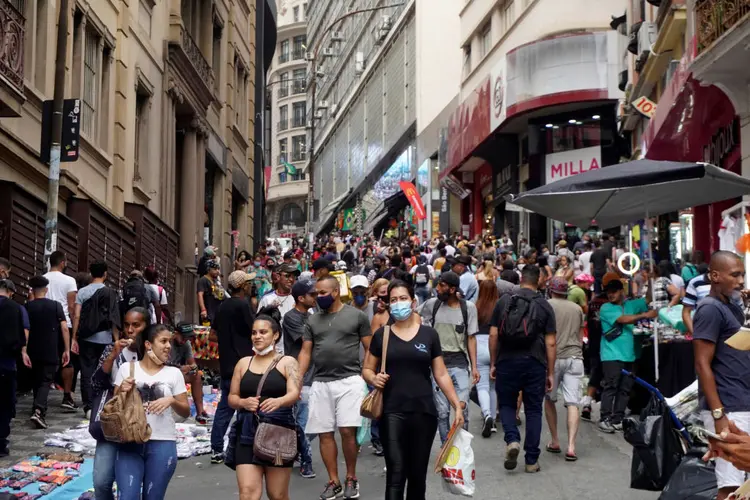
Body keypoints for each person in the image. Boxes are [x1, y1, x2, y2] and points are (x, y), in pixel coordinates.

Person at [363, 280, 464, 500]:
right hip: (392, 411)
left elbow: (441, 373)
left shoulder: (429, 335)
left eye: (402, 298)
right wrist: (374, 378)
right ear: (388, 305)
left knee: (417, 477)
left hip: (424, 413)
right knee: (396, 475)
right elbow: (367, 369)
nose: (398, 304)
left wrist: (457, 405)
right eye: (393, 300)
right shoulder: (382, 335)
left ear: (413, 301)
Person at [298, 276, 371, 500]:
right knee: (324, 434)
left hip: (350, 381)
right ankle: (334, 481)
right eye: (316, 293)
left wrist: (367, 373)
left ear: (336, 291)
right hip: (320, 382)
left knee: (348, 431)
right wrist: (297, 378)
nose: (318, 297)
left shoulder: (357, 316)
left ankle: (351, 477)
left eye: (322, 293)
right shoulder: (312, 321)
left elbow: (370, 348)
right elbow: (306, 352)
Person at [693, 251, 750, 500]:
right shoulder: (709, 309)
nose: (741, 281)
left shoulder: (731, 307)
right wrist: (718, 414)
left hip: (740, 401)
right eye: (735, 275)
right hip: (728, 406)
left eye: (743, 275)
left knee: (742, 485)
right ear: (715, 276)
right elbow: (701, 363)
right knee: (730, 487)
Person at [489, 265, 556, 473]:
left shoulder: (504, 302)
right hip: (534, 361)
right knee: (534, 409)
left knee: (507, 404)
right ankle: (531, 461)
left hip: (506, 360)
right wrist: (550, 372)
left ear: (521, 279)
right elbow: (551, 342)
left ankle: (512, 440)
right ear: (539, 281)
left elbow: (493, 335)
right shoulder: (544, 305)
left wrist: (493, 362)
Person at [228, 314, 301, 500]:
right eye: (254, 333)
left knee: (277, 495)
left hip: (278, 432)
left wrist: (279, 401)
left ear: (275, 335)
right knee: (248, 493)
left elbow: (295, 393)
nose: (257, 336)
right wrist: (243, 402)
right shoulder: (243, 363)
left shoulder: (287, 362)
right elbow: (232, 397)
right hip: (246, 431)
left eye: (263, 332)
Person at [114, 324, 190, 500]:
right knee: (128, 497)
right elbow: (114, 405)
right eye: (163, 341)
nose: (168, 346)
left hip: (162, 442)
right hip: (130, 441)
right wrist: (122, 391)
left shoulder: (174, 373)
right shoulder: (128, 369)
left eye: (169, 342)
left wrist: (171, 400)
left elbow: (185, 411)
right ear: (148, 345)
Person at [89, 307, 150, 500]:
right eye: (127, 325)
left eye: (136, 325)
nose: (130, 330)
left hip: (139, 424)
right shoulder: (113, 349)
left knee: (135, 482)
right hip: (113, 422)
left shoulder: (151, 351)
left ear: (146, 327)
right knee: (101, 481)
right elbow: (96, 382)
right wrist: (113, 354)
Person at [418, 271, 479, 444]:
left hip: (460, 363)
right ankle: (447, 449)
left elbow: (471, 338)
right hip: (438, 365)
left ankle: (462, 446)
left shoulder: (468, 308)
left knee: (462, 408)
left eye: (442, 285)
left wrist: (474, 367)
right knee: (442, 412)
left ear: (452, 289)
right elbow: (414, 316)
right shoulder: (432, 305)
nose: (437, 288)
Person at [597, 274, 656, 433]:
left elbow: (648, 299)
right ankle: (605, 418)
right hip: (611, 354)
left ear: (621, 291)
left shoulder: (631, 304)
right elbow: (622, 320)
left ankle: (617, 418)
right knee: (611, 387)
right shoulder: (606, 308)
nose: (611, 294)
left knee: (625, 388)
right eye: (609, 292)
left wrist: (650, 279)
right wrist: (644, 315)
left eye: (614, 291)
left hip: (631, 354)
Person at [210, 270, 256, 464]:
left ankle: (217, 449)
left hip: (227, 364)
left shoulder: (222, 306)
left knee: (225, 407)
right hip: (244, 364)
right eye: (248, 283)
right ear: (243, 286)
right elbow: (254, 331)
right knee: (247, 406)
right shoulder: (243, 306)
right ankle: (244, 446)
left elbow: (212, 335)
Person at [73, 260, 121, 418]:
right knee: (104, 371)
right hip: (105, 338)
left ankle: (87, 406)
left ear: (91, 274)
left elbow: (77, 315)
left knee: (86, 371)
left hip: (86, 338)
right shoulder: (110, 293)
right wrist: (116, 340)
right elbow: (114, 318)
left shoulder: (82, 292)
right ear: (105, 274)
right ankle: (101, 402)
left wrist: (74, 337)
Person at [544, 277, 585, 461]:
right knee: (573, 402)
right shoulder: (576, 308)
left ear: (551, 290)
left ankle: (555, 441)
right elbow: (580, 333)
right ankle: (571, 446)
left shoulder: (546, 306)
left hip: (553, 358)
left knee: (549, 399)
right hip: (575, 356)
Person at [283, 280, 318, 479]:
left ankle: (297, 448)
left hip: (317, 375)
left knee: (317, 422)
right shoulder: (291, 318)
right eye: (312, 295)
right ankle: (306, 461)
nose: (316, 298)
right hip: (301, 376)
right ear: (301, 298)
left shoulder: (313, 315)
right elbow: (308, 341)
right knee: (303, 421)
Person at [25, 275, 70, 429]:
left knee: (37, 380)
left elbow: (25, 329)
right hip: (51, 349)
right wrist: (67, 349)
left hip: (32, 350)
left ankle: (36, 407)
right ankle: (38, 410)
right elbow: (64, 327)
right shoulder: (56, 306)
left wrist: (24, 350)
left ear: (32, 290)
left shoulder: (27, 307)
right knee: (46, 380)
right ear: (46, 289)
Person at [44, 250, 79, 411]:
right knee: (67, 360)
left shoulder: (42, 279)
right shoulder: (69, 280)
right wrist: (74, 334)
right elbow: (71, 306)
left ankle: (40, 399)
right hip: (64, 323)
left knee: (43, 361)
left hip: (43, 323)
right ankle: (67, 395)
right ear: (63, 263)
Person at [0, 278, 27, 457]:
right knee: (4, 404)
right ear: (10, 292)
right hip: (6, 364)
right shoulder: (16, 308)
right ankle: (1, 443)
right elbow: (20, 339)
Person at [169, 323, 209, 424]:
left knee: (197, 376)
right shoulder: (168, 342)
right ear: (176, 334)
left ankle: (200, 412)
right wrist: (180, 368)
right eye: (183, 337)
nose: (185, 340)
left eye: (187, 338)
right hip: (166, 372)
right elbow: (162, 363)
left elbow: (192, 362)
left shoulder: (186, 344)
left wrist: (193, 368)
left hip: (178, 372)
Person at [474, 279, 499, 438]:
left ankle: (487, 414)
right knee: (493, 385)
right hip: (494, 344)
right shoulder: (500, 307)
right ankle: (494, 419)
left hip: (478, 344)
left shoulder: (475, 307)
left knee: (481, 385)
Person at [198, 260, 224, 326]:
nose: (217, 271)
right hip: (208, 313)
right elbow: (200, 295)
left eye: (218, 269)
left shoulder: (216, 281)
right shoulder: (203, 280)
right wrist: (203, 310)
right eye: (215, 269)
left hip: (217, 312)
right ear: (208, 269)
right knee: (206, 332)